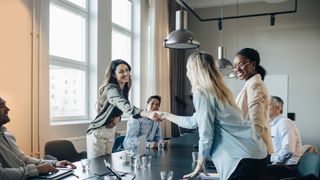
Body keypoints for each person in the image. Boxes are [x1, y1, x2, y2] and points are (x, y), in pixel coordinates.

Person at [159, 52, 268, 180]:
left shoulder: (201, 92)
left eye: (188, 69)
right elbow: (193, 122)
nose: (187, 73)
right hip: (257, 155)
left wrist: (200, 162)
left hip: (243, 160)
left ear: (195, 71)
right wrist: (164, 114)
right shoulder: (221, 92)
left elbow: (206, 133)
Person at [86, 59, 161, 159]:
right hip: (99, 131)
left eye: (127, 70)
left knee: (107, 166)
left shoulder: (123, 89)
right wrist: (148, 114)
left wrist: (118, 118)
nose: (126, 73)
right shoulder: (111, 89)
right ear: (114, 75)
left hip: (111, 130)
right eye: (121, 71)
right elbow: (127, 108)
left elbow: (115, 108)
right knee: (97, 168)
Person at [0, 96, 76, 179]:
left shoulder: (7, 134)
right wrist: (37, 169)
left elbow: (24, 159)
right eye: (2, 106)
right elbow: (1, 175)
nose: (8, 109)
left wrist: (55, 163)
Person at [233, 48, 273, 154]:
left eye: (241, 64)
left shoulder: (255, 85)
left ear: (253, 64)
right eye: (235, 66)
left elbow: (257, 126)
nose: (237, 69)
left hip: (254, 152)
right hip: (252, 150)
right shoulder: (250, 83)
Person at [268, 96, 302, 165]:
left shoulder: (285, 122)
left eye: (267, 105)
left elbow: (288, 150)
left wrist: (272, 163)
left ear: (278, 108)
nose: (263, 108)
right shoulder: (273, 124)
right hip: (278, 162)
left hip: (287, 166)